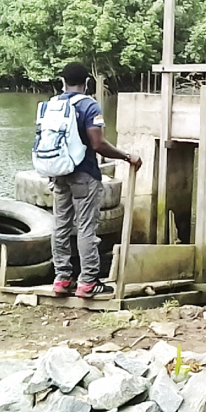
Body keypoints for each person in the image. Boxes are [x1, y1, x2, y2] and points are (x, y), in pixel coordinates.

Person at [50, 62, 142, 298]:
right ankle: (88, 281)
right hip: (85, 173)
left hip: (59, 171)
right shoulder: (89, 106)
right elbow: (98, 144)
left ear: (62, 82)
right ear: (87, 83)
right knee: (86, 227)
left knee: (60, 226)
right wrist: (126, 156)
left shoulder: (53, 104)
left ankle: (61, 279)